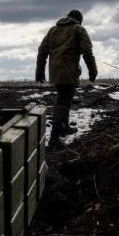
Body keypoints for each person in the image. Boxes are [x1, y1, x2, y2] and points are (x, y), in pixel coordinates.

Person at [35, 9, 97, 145]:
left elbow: (42, 51)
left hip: (55, 72)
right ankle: (55, 136)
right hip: (69, 72)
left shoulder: (53, 30)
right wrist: (93, 70)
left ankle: (64, 127)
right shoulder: (79, 29)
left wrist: (39, 71)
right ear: (79, 20)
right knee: (63, 101)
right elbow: (87, 51)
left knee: (64, 99)